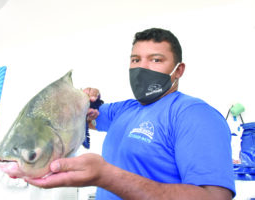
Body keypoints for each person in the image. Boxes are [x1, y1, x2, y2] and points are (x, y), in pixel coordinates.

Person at [25, 28, 236, 200]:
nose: (141, 68)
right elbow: (87, 116)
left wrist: (106, 176)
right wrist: (84, 99)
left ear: (178, 70)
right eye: (135, 60)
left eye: (155, 60)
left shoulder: (194, 114)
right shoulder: (126, 109)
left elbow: (215, 197)